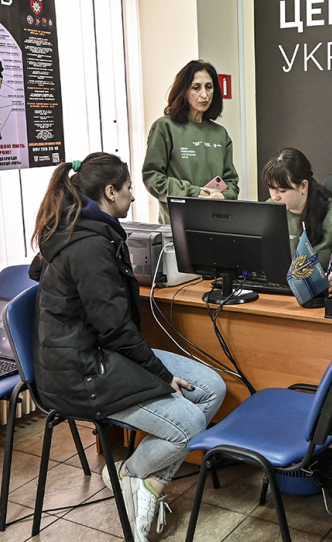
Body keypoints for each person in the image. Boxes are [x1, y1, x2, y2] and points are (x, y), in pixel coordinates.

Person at [29, 152, 226, 541]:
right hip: (81, 374)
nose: (133, 196)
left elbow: (108, 323)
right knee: (189, 423)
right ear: (109, 191)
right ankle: (137, 480)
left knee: (212, 388)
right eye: (129, 188)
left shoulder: (83, 228)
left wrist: (156, 372)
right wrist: (161, 375)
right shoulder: (87, 245)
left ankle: (133, 478)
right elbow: (115, 328)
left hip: (101, 354)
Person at [262, 147, 332, 293]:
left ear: (303, 186)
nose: (275, 196)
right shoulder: (270, 209)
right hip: (281, 291)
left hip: (324, 293)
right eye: (271, 188)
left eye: (282, 190)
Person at [142, 60, 240, 223]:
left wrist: (222, 195)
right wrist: (194, 193)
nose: (204, 95)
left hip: (215, 223)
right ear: (184, 91)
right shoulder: (165, 127)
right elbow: (152, 177)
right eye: (196, 88)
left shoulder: (220, 134)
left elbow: (231, 183)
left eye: (209, 87)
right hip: (177, 225)